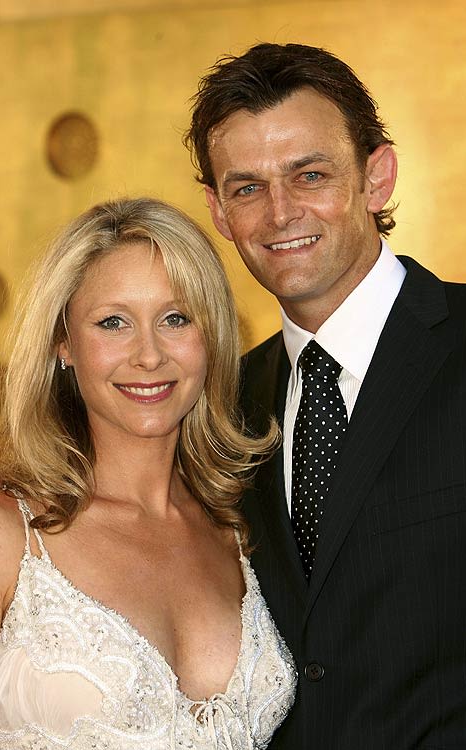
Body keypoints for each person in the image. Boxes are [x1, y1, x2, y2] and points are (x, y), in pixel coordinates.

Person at [181, 43, 466, 748]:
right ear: (218, 211)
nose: (280, 213)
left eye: (310, 175)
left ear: (377, 176)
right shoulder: (219, 406)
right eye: (247, 188)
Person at [0, 196, 297, 749]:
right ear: (63, 343)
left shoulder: (244, 525)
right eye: (113, 322)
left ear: (209, 336)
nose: (148, 355)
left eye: (175, 318)